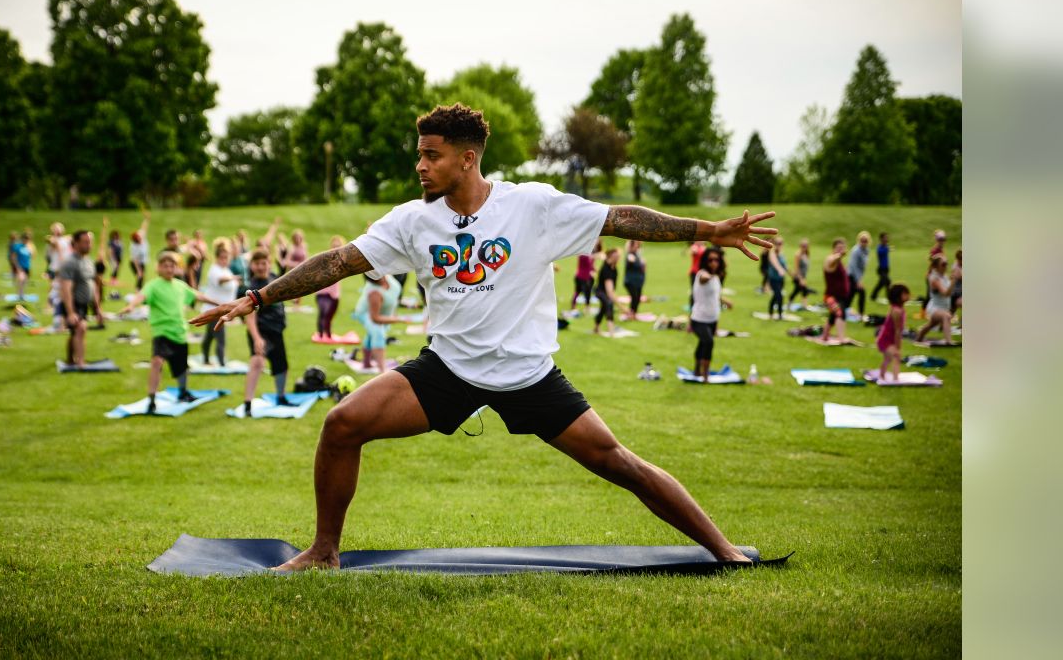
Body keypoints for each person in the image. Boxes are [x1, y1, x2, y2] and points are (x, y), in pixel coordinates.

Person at [191, 103, 776, 569]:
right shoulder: (412, 220)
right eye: (418, 155)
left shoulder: (534, 207)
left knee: (620, 463)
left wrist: (710, 229)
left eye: (431, 155)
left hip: (528, 374)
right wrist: (257, 296)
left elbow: (621, 218)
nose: (420, 166)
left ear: (467, 159)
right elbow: (340, 261)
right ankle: (323, 552)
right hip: (446, 371)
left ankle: (723, 549)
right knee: (342, 424)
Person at [118, 251, 220, 413]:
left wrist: (219, 304)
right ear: (158, 268)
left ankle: (183, 392)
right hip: (162, 332)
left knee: (181, 368)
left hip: (179, 332)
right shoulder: (153, 285)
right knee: (157, 362)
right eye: (165, 266)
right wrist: (131, 306)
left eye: (172, 266)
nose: (169, 269)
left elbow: (198, 296)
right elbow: (141, 296)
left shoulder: (180, 286)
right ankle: (152, 399)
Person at [238, 249, 295, 416]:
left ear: (269, 263)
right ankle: (247, 404)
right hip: (261, 332)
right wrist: (256, 338)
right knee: (257, 363)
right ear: (252, 266)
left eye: (264, 263)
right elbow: (250, 317)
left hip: (276, 331)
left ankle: (281, 397)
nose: (262, 267)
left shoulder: (274, 278)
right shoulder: (251, 288)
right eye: (258, 264)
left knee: (282, 366)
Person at [56, 230, 101, 368]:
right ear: (75, 244)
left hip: (84, 304)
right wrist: (70, 312)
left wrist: (97, 309)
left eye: (90, 242)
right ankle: (81, 362)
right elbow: (66, 289)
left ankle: (70, 359)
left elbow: (93, 285)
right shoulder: (70, 263)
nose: (89, 245)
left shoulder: (88, 261)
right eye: (85, 242)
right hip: (72, 303)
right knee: (81, 329)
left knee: (74, 332)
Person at [351, 273, 405, 374]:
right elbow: (375, 318)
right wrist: (396, 319)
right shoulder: (374, 292)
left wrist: (393, 315)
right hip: (366, 313)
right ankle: (382, 370)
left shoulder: (388, 276)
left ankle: (366, 363)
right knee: (377, 333)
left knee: (372, 334)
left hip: (382, 313)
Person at [690, 247, 731, 380]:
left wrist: (726, 301)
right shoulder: (701, 274)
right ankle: (705, 375)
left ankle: (697, 369)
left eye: (716, 260)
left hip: (713, 318)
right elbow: (704, 278)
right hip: (699, 319)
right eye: (710, 260)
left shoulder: (717, 277)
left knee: (703, 342)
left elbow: (715, 295)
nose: (714, 262)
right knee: (708, 342)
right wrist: (710, 275)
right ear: (705, 261)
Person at [199, 239, 239, 366]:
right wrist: (233, 278)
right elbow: (221, 280)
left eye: (226, 258)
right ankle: (222, 364)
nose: (225, 260)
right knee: (220, 338)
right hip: (214, 310)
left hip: (220, 310)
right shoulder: (214, 270)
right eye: (222, 258)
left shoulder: (226, 270)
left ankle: (206, 359)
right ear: (217, 258)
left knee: (210, 337)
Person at [916, 255, 955, 344]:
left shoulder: (944, 276)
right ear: (936, 266)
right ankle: (949, 342)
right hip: (935, 308)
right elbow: (945, 293)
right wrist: (954, 281)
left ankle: (918, 338)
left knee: (930, 325)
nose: (946, 266)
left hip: (943, 308)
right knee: (946, 316)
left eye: (947, 264)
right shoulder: (934, 278)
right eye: (943, 264)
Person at [876, 283, 910, 382]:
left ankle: (882, 375)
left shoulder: (899, 309)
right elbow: (897, 330)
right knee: (896, 356)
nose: (908, 295)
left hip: (889, 338)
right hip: (886, 339)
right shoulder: (896, 311)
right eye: (905, 294)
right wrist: (898, 347)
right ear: (898, 296)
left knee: (888, 359)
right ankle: (895, 380)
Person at [820, 238, 852, 344]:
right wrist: (839, 255)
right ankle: (841, 339)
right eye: (838, 248)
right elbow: (832, 261)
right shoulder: (830, 259)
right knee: (840, 313)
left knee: (833, 316)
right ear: (833, 249)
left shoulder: (839, 262)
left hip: (840, 295)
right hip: (832, 296)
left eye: (842, 248)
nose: (841, 250)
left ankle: (825, 336)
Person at [315, 235, 346, 339]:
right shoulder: (325, 258)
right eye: (334, 245)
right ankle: (320, 334)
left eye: (338, 246)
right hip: (322, 292)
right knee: (323, 312)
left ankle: (328, 335)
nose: (336, 247)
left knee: (329, 316)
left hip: (334, 294)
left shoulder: (343, 260)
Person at [593, 247, 620, 335]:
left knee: (603, 308)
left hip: (605, 292)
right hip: (600, 291)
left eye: (618, 257)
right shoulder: (606, 269)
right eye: (616, 257)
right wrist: (622, 308)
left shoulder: (614, 268)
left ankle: (596, 328)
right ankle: (611, 331)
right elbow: (609, 292)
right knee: (609, 303)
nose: (618, 259)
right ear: (611, 257)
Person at [570, 240, 600, 310]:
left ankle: (575, 306)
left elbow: (590, 265)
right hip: (583, 278)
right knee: (586, 292)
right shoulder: (584, 255)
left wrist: (595, 270)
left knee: (578, 291)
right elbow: (588, 264)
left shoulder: (586, 254)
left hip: (580, 276)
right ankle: (587, 307)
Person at [621, 240, 646, 321]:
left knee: (637, 298)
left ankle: (634, 313)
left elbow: (643, 267)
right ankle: (631, 314)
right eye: (635, 244)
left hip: (638, 281)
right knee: (634, 297)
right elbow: (634, 262)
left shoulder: (637, 254)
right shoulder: (630, 255)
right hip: (631, 281)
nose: (637, 246)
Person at [847, 231, 871, 317]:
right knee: (861, 292)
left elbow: (862, 266)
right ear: (859, 240)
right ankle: (861, 313)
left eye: (865, 241)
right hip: (851, 275)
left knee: (851, 294)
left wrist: (860, 278)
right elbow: (853, 266)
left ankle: (844, 309)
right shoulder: (856, 250)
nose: (863, 242)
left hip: (857, 276)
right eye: (862, 240)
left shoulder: (866, 250)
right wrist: (858, 280)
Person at [765, 237, 788, 319]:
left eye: (781, 244)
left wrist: (792, 274)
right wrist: (780, 269)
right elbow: (775, 263)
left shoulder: (781, 254)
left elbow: (785, 266)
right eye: (778, 244)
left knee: (776, 296)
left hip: (781, 279)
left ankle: (771, 312)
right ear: (774, 244)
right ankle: (780, 315)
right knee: (779, 296)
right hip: (773, 279)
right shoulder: (772, 253)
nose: (779, 245)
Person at [9, 230, 35, 300]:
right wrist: (17, 267)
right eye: (25, 239)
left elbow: (32, 256)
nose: (26, 240)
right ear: (22, 239)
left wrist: (31, 249)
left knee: (25, 281)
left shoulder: (29, 247)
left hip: (27, 266)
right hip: (19, 266)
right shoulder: (18, 246)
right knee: (21, 279)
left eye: (28, 239)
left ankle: (23, 294)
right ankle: (19, 294)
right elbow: (13, 257)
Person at [787, 238, 812, 307]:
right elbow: (796, 268)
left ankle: (801, 304)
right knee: (804, 290)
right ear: (800, 246)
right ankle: (804, 305)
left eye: (806, 246)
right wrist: (801, 279)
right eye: (803, 246)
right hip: (798, 276)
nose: (805, 247)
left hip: (803, 276)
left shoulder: (806, 254)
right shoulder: (798, 255)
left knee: (797, 290)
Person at [129, 211, 150, 290]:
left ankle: (140, 290)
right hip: (135, 263)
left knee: (142, 277)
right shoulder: (134, 247)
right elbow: (135, 260)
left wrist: (146, 219)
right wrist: (138, 270)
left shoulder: (142, 237)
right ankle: (137, 291)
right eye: (138, 239)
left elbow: (143, 227)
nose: (140, 239)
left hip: (142, 262)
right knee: (140, 276)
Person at [869, 232, 891, 302]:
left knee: (882, 283)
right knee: (887, 281)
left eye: (887, 237)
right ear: (881, 239)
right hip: (881, 269)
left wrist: (887, 248)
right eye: (885, 238)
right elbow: (880, 252)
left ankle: (873, 296)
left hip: (886, 269)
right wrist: (887, 249)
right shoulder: (880, 247)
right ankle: (889, 297)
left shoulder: (885, 247)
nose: (886, 239)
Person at [686, 240, 706, 311]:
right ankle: (692, 307)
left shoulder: (704, 248)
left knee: (702, 291)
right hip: (694, 272)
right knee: (694, 290)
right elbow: (693, 251)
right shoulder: (694, 247)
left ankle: (700, 306)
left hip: (702, 273)